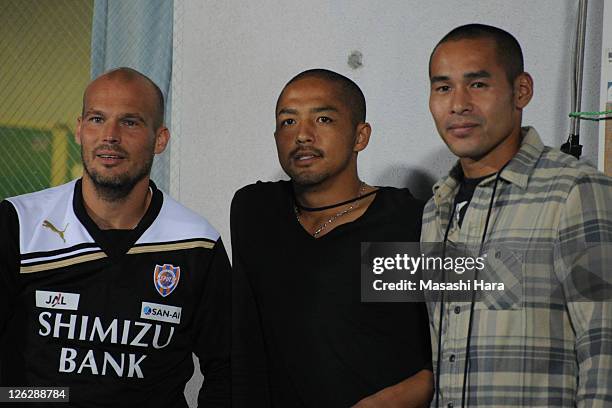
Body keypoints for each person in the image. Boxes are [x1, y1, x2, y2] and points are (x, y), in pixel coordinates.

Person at [0, 67, 230, 407]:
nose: (110, 135)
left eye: (130, 122)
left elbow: (229, 366)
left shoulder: (196, 243)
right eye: (96, 119)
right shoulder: (19, 224)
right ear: (79, 130)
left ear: (160, 139)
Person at [423, 24, 612, 407]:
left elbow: (604, 345)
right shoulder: (435, 208)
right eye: (443, 88)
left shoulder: (575, 190)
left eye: (477, 84)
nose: (458, 104)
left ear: (520, 90)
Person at [231, 69, 432, 407]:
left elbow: (467, 343)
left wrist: (393, 400)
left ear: (360, 136)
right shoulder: (256, 212)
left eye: (323, 119)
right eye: (288, 122)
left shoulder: (405, 222)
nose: (302, 136)